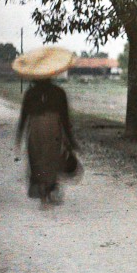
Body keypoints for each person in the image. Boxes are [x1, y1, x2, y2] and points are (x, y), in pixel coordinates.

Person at [15, 78, 81, 207]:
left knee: (36, 160)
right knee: (51, 159)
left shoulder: (31, 93)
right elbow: (65, 120)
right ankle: (49, 190)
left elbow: (23, 117)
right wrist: (71, 141)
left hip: (35, 130)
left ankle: (43, 193)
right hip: (53, 130)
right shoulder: (59, 92)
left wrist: (19, 135)